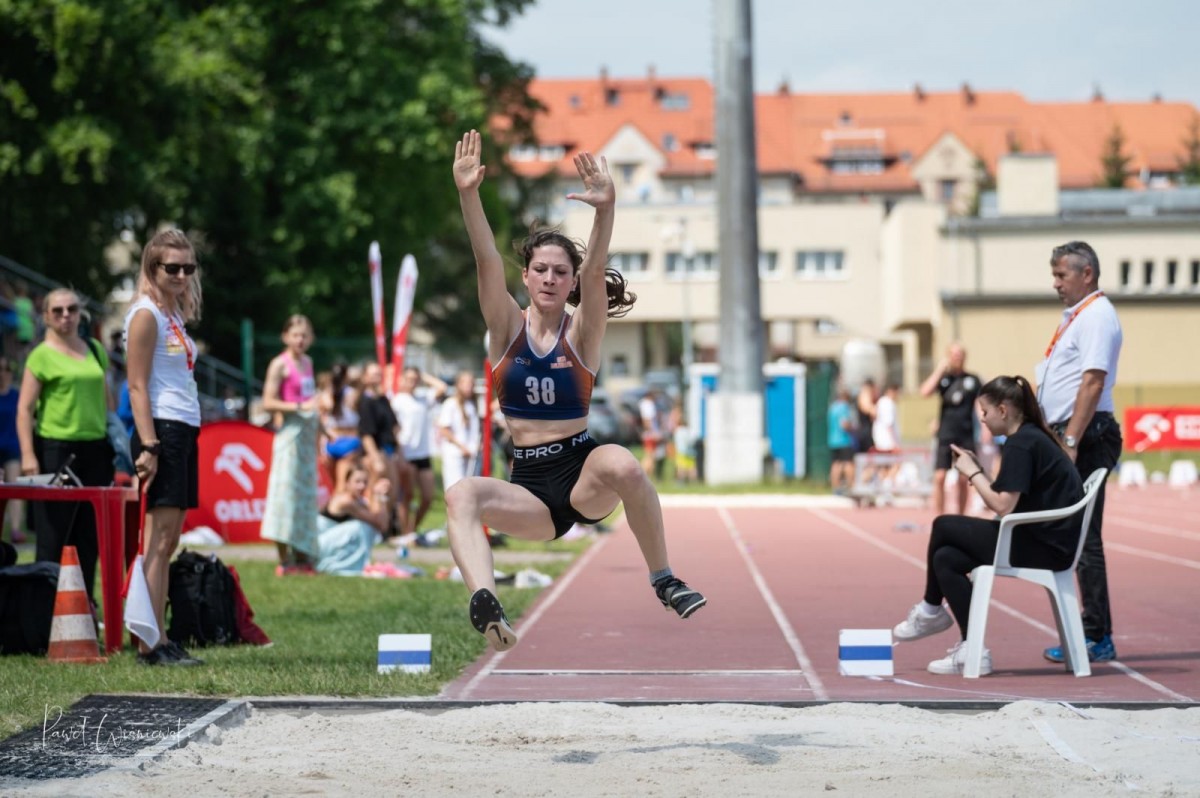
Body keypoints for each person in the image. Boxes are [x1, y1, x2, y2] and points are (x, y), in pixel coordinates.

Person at [449, 128, 706, 651]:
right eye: (539, 269)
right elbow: (485, 263)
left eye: (559, 272)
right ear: (526, 277)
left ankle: (664, 579)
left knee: (623, 464)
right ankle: (486, 603)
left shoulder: (583, 333)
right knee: (461, 493)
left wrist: (605, 210)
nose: (548, 278)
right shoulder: (504, 328)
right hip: (530, 490)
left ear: (570, 282)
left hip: (581, 475)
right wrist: (467, 194)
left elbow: (596, 275)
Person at [891, 375, 1084, 676]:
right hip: (1039, 538)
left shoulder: (1022, 443)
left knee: (943, 525)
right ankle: (973, 650)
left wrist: (972, 471)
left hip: (1043, 546)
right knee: (946, 559)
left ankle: (930, 610)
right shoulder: (1031, 437)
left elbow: (1004, 505)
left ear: (1004, 410)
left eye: (985, 411)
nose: (981, 419)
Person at [1035, 241, 1123, 665]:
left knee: (1085, 538)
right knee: (1067, 536)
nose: (1055, 284)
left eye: (1061, 275)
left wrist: (1069, 440)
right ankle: (1083, 631)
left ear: (1086, 274)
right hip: (1070, 435)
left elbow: (1091, 382)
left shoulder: (1098, 317)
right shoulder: (1076, 317)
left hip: (1087, 437)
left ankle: (1096, 635)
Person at [124, 229, 204, 666]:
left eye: (187, 267)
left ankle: (160, 635)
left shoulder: (171, 313)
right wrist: (150, 443)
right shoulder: (145, 315)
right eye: (170, 267)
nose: (179, 274)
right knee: (156, 540)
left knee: (169, 540)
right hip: (163, 430)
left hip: (183, 427)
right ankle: (149, 642)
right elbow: (136, 385)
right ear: (151, 267)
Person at [17, 288, 114, 606]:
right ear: (45, 316)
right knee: (53, 535)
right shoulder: (40, 355)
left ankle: (84, 609)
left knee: (90, 537)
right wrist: (29, 454)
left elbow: (107, 399)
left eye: (72, 309)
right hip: (56, 450)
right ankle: (44, 610)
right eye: (57, 311)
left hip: (97, 449)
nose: (65, 316)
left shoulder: (95, 348)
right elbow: (24, 410)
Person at [259, 315, 322, 575]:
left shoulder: (308, 363)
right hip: (289, 436)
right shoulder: (279, 365)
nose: (300, 340)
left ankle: (303, 555)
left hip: (308, 437)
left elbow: (311, 399)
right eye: (295, 334)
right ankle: (284, 560)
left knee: (306, 498)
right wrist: (297, 407)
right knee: (284, 497)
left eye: (304, 335)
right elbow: (268, 402)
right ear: (285, 336)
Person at [921, 343, 982, 515]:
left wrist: (985, 429)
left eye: (960, 354)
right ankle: (940, 516)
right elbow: (925, 392)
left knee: (964, 480)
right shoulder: (944, 378)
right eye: (954, 354)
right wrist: (940, 370)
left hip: (966, 434)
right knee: (940, 477)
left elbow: (979, 405)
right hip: (946, 434)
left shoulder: (973, 379)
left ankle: (961, 516)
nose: (957, 357)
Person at [392, 366, 447, 535]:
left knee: (427, 497)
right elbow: (394, 429)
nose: (412, 382)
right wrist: (399, 452)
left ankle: (413, 528)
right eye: (409, 379)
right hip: (407, 452)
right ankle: (405, 533)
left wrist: (423, 375)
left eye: (414, 379)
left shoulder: (423, 398)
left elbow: (442, 387)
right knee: (407, 495)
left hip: (423, 453)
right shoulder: (398, 401)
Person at [357, 361, 406, 535]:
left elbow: (394, 426)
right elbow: (366, 433)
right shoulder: (365, 402)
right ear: (365, 377)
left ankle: (384, 527)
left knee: (391, 492)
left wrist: (398, 451)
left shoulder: (383, 399)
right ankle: (370, 525)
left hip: (388, 451)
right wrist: (375, 457)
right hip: (375, 452)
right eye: (373, 373)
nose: (377, 376)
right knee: (374, 489)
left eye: (379, 373)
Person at [316, 464, 390, 575]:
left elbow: (379, 520)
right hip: (318, 547)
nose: (362, 486)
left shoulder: (358, 501)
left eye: (365, 482)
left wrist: (379, 496)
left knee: (365, 527)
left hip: (326, 545)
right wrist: (378, 496)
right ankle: (348, 567)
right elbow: (379, 523)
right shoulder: (346, 501)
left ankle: (354, 564)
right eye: (357, 482)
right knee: (360, 527)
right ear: (347, 483)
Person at [318, 361, 363, 490]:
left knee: (339, 482)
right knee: (336, 484)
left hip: (337, 440)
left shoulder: (328, 396)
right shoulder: (348, 394)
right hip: (338, 439)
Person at [437, 370, 481, 493]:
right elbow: (444, 429)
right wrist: (462, 447)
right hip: (455, 454)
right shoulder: (451, 403)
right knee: (455, 490)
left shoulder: (473, 404)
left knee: (471, 491)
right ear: (458, 385)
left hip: (471, 453)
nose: (469, 387)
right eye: (465, 383)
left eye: (471, 384)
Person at [0, 356, 28, 543]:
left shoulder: (17, 396)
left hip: (12, 447)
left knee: (14, 486)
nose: (2, 373)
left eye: (5, 369)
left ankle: (16, 529)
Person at [827, 387, 857, 495]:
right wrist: (853, 428)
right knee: (848, 463)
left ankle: (835, 488)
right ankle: (851, 486)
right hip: (843, 440)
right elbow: (844, 424)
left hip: (833, 440)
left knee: (836, 464)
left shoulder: (833, 407)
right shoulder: (844, 407)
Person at [638, 388, 665, 478]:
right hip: (650, 434)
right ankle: (642, 475)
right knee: (650, 456)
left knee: (650, 456)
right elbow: (647, 421)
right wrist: (654, 433)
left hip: (649, 433)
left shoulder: (645, 404)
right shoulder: (648, 405)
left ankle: (644, 476)